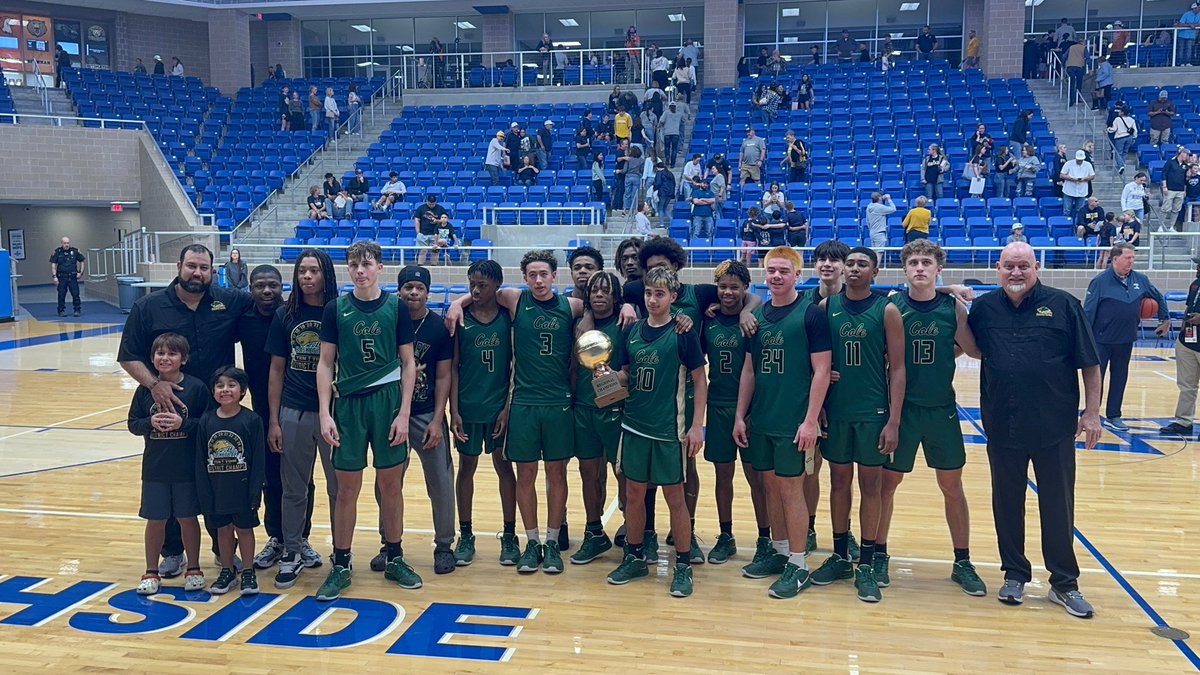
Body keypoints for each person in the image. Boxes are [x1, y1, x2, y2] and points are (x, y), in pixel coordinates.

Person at [962, 242, 1102, 618]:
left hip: (1054, 426)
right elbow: (968, 347)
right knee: (1006, 504)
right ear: (998, 268)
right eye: (1009, 266)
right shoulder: (986, 307)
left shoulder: (1064, 305)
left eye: (1023, 265)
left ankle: (1064, 583)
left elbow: (1089, 362)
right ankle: (1015, 574)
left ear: (1036, 266)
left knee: (1057, 504)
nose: (1016, 272)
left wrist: (1092, 413)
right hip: (1002, 422)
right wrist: (948, 293)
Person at [444, 250, 585, 574]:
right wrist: (456, 302)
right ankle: (530, 541)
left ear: (554, 276)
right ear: (524, 278)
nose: (538, 280)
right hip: (522, 402)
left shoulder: (572, 306)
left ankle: (551, 543)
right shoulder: (515, 300)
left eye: (544, 274)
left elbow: (593, 311)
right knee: (525, 474)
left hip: (558, 403)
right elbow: (481, 291)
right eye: (532, 275)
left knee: (556, 475)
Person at [118, 244, 252, 577]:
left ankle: (222, 551)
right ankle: (173, 552)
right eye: (191, 266)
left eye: (204, 268)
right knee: (173, 478)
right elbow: (128, 355)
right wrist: (154, 385)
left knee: (217, 480)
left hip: (217, 412)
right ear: (179, 266)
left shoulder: (229, 302)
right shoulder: (148, 307)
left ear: (213, 271)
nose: (197, 273)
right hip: (169, 411)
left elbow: (267, 307)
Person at [875, 240, 986, 595]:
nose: (919, 268)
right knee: (887, 485)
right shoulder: (891, 306)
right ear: (905, 270)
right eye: (913, 263)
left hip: (941, 410)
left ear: (938, 270)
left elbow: (972, 349)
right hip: (901, 411)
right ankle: (879, 554)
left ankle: (963, 561)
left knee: (952, 487)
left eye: (926, 263)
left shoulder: (952, 307)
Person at [314, 241, 420, 600]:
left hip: (388, 404)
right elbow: (326, 362)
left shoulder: (396, 307)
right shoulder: (336, 309)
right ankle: (341, 564)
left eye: (367, 264)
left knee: (391, 487)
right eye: (354, 265)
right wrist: (325, 412)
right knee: (346, 490)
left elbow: (408, 363)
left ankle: (394, 556)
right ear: (349, 270)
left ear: (380, 268)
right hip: (348, 407)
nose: (361, 271)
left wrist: (404, 413)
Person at [732, 249, 831, 598]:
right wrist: (740, 416)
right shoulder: (756, 316)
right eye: (771, 270)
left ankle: (799, 564)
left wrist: (809, 421)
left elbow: (821, 370)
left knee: (791, 490)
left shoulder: (811, 315)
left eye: (784, 271)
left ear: (797, 274)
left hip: (794, 422)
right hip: (763, 419)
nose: (776, 276)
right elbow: (749, 370)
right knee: (770, 486)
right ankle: (778, 551)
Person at [809, 247, 905, 604]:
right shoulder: (824, 308)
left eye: (862, 264)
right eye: (849, 263)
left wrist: (894, 420)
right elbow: (814, 362)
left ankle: (866, 562)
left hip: (873, 412)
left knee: (872, 486)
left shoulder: (888, 310)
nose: (853, 268)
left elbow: (898, 368)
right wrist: (817, 403)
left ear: (875, 271)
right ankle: (838, 556)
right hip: (836, 411)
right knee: (838, 482)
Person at [605, 266, 707, 598]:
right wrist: (604, 374)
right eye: (648, 293)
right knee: (634, 494)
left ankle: (683, 566)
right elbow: (624, 376)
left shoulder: (682, 332)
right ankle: (634, 557)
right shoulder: (631, 332)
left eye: (660, 294)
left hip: (668, 430)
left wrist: (695, 426)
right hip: (634, 425)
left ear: (673, 297)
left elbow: (699, 380)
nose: (652, 299)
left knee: (675, 498)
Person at [267, 250, 339, 588]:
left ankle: (343, 553)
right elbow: (276, 370)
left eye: (313, 271)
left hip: (335, 415)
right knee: (293, 489)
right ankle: (292, 552)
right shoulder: (285, 314)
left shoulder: (341, 311)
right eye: (301, 271)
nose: (306, 277)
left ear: (326, 275)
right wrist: (274, 420)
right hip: (294, 411)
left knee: (340, 489)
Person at [450, 259, 519, 565]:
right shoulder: (459, 317)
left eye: (483, 285)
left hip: (499, 407)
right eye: (472, 284)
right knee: (467, 468)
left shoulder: (509, 316)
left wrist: (507, 408)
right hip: (468, 406)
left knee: (504, 467)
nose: (476, 290)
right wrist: (453, 410)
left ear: (497, 286)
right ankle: (465, 535)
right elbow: (451, 367)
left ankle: (510, 534)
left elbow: (515, 365)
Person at [130, 332, 209, 596]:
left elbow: (208, 424)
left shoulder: (196, 388)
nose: (165, 358)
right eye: (160, 353)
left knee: (188, 518)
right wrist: (148, 423)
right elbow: (132, 424)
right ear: (152, 358)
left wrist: (183, 424)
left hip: (186, 467)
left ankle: (194, 568)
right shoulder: (145, 390)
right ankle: (151, 571)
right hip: (155, 468)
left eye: (172, 353)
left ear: (184, 359)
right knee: (156, 520)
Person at [698, 260, 759, 564]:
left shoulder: (754, 318)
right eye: (723, 287)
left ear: (745, 289)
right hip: (718, 405)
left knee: (755, 477)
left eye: (735, 287)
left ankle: (765, 537)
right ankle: (726, 535)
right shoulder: (707, 319)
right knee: (723, 476)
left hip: (749, 410)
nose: (728, 292)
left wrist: (749, 308)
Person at [569, 271, 625, 565]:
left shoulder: (627, 323)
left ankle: (636, 531)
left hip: (616, 410)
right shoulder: (579, 324)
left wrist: (618, 377)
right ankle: (594, 533)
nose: (600, 295)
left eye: (606, 291)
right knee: (589, 474)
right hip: (584, 409)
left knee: (625, 475)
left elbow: (632, 367)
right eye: (594, 291)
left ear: (616, 296)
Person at [1083, 243, 1170, 432]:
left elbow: (1158, 297)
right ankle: (1091, 413)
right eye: (1128, 258)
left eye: (1133, 258)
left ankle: (1114, 415)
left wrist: (1165, 318)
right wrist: (1083, 338)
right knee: (1096, 379)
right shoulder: (1100, 281)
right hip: (1100, 340)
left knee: (1120, 377)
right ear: (1115, 259)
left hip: (1126, 339)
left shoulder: (1141, 279)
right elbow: (1088, 311)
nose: (1132, 261)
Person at [195, 366, 265, 596]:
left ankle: (248, 571)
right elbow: (200, 459)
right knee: (223, 530)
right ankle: (227, 570)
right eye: (220, 385)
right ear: (213, 391)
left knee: (244, 530)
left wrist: (255, 491)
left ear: (243, 390)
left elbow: (258, 460)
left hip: (243, 489)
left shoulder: (252, 420)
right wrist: (204, 491)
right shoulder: (206, 421)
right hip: (217, 490)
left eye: (231, 385)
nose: (225, 390)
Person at [237, 265, 288, 573]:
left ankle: (299, 537)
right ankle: (276, 538)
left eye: (273, 285)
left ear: (281, 286)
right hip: (261, 409)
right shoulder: (242, 321)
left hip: (296, 404)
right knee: (271, 476)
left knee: (298, 477)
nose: (267, 291)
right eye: (260, 286)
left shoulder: (291, 315)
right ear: (251, 289)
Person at [1162, 257, 1200, 436]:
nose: (1198, 267)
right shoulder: (1195, 284)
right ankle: (1184, 421)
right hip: (1188, 342)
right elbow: (1188, 307)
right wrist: (1183, 327)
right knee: (1187, 385)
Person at [50, 236, 86, 317]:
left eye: (68, 243)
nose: (66, 244)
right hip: (62, 277)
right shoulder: (57, 252)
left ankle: (77, 310)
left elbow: (82, 261)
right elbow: (53, 265)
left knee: (75, 294)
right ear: (61, 243)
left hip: (72, 277)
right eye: (65, 243)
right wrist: (54, 276)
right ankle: (61, 311)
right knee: (61, 295)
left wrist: (80, 273)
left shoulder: (75, 251)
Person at [413, 195, 448, 267]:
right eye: (430, 204)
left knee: (435, 251)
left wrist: (437, 221)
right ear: (427, 202)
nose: (431, 205)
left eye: (433, 204)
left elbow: (445, 220)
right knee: (423, 251)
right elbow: (417, 220)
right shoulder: (421, 208)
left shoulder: (440, 209)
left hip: (435, 234)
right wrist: (418, 232)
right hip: (423, 234)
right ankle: (420, 266)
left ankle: (433, 267)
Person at [1163, 147, 1192, 233]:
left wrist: (1188, 176)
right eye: (1186, 155)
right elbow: (1164, 174)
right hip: (1170, 189)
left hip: (1180, 190)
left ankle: (1171, 226)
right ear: (1182, 153)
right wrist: (1164, 186)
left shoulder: (1185, 166)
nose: (1187, 157)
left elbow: (1185, 179)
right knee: (1165, 209)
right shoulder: (1170, 162)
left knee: (1176, 209)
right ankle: (1161, 225)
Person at [1060, 150, 1095, 222]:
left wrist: (1084, 178)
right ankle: (1066, 225)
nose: (1080, 161)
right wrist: (1072, 179)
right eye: (1078, 160)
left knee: (1080, 212)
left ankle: (1077, 226)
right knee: (1066, 210)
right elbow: (1062, 175)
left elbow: (1092, 176)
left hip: (1082, 191)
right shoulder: (1068, 164)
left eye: (1081, 160)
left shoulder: (1088, 165)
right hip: (1069, 190)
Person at [1107, 109, 1137, 176]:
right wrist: (1134, 137)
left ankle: (1121, 166)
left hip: (1120, 137)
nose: (1119, 112)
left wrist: (1108, 129)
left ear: (1122, 112)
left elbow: (1114, 129)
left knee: (1118, 152)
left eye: (1120, 111)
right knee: (1125, 151)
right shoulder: (1132, 120)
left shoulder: (1117, 119)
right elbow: (1135, 130)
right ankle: (1122, 163)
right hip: (1129, 137)